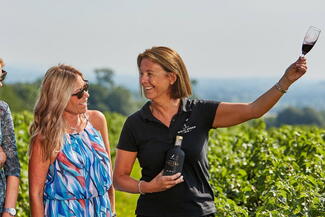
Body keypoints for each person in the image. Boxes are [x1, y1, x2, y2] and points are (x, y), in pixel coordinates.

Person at [113, 46, 307, 217]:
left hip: (199, 212)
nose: (143, 80)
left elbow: (253, 110)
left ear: (171, 77)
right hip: (152, 213)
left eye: (149, 74)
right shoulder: (135, 123)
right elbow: (119, 178)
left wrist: (286, 81)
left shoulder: (200, 112)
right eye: (141, 74)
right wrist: (148, 187)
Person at [29, 64, 116, 217]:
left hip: (101, 211)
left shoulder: (97, 121)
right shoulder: (45, 138)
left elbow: (109, 176)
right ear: (59, 97)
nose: (86, 95)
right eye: (79, 93)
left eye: (86, 87)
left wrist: (113, 211)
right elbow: (36, 194)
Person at [0, 58, 20, 217]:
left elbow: (12, 166)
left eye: (2, 77)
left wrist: (9, 212)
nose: (1, 84)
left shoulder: (2, 110)